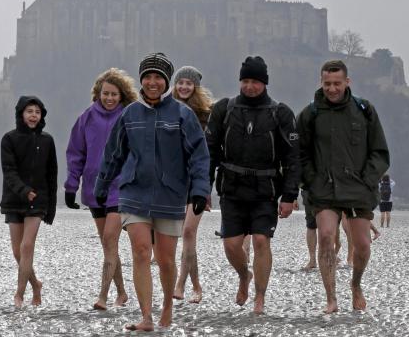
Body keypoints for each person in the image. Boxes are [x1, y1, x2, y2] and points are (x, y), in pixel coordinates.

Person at [94, 52, 210, 332]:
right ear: (141, 80)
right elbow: (114, 153)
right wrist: (101, 184)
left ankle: (167, 310)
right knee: (142, 251)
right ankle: (146, 316)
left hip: (170, 194)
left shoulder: (183, 114)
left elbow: (199, 155)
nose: (152, 82)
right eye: (147, 76)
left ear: (166, 81)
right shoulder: (130, 113)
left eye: (158, 77)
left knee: (166, 260)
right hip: (134, 192)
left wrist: (199, 190)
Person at [206, 55, 300, 315]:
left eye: (255, 82)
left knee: (261, 240)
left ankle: (260, 297)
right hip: (232, 188)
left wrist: (290, 195)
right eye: (246, 81)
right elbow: (210, 151)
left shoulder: (280, 113)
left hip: (265, 190)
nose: (250, 86)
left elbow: (292, 157)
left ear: (265, 83)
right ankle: (243, 275)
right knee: (231, 246)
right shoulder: (224, 109)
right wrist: (205, 187)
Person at [298, 60, 390, 313]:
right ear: (321, 82)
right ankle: (331, 298)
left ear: (347, 82)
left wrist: (367, 180)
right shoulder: (310, 114)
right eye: (327, 83)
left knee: (362, 245)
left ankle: (356, 285)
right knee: (326, 237)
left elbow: (380, 152)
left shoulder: (364, 110)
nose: (332, 88)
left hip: (358, 188)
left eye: (337, 83)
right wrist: (310, 181)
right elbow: (300, 153)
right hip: (323, 189)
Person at [64, 68, 138, 310]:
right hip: (95, 190)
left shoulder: (129, 117)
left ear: (122, 95)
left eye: (114, 94)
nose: (109, 98)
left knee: (109, 238)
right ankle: (122, 293)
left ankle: (103, 296)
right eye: (105, 93)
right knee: (109, 245)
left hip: (121, 188)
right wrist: (71, 186)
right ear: (98, 94)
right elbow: (76, 153)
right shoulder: (86, 118)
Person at [0, 96, 58, 308]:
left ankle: (19, 295)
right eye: (29, 111)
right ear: (21, 114)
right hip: (14, 199)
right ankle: (36, 284)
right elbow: (9, 171)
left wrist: (50, 209)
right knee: (17, 251)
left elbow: (52, 175)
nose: (33, 115)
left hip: (38, 201)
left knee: (27, 246)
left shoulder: (47, 140)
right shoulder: (9, 139)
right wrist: (24, 191)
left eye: (37, 112)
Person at [170, 66, 213, 304]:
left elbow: (210, 153)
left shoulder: (206, 114)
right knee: (183, 235)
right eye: (180, 82)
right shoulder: (167, 110)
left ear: (195, 87)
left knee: (188, 231)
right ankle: (196, 285)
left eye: (189, 83)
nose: (184, 87)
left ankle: (180, 284)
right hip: (174, 182)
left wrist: (207, 186)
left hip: (197, 181)